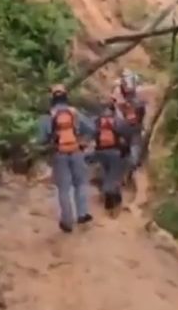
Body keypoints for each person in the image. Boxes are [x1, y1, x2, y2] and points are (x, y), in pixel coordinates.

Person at [37, 84, 95, 233]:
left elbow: (41, 139)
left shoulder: (48, 116)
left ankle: (67, 221)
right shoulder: (75, 113)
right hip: (76, 151)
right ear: (66, 96)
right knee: (81, 183)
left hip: (59, 154)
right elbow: (93, 129)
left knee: (63, 188)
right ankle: (82, 214)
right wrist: (83, 142)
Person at [94, 102, 131, 213]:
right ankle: (113, 196)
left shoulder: (97, 121)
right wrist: (126, 150)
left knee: (106, 174)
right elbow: (126, 136)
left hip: (100, 152)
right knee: (115, 175)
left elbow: (93, 134)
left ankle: (109, 199)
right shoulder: (118, 122)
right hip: (115, 152)